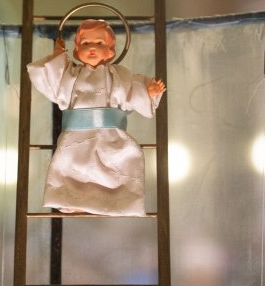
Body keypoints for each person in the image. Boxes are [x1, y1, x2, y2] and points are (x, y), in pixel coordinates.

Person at [27, 19, 165, 216]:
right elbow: (55, 82)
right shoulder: (71, 76)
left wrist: (147, 92)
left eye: (99, 43)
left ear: (110, 50)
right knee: (73, 168)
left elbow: (129, 94)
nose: (92, 47)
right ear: (76, 50)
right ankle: (71, 200)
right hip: (75, 139)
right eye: (85, 43)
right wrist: (58, 58)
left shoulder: (118, 76)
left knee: (117, 166)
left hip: (111, 136)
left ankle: (115, 201)